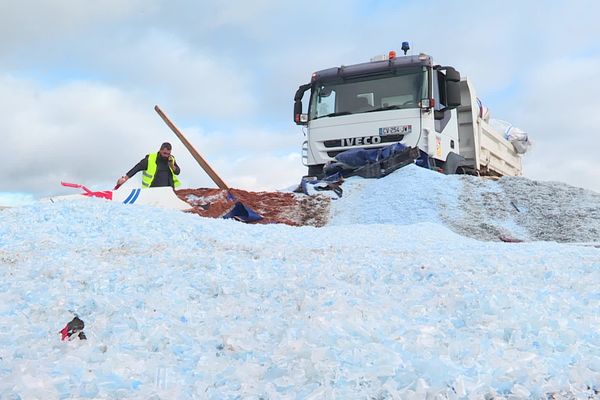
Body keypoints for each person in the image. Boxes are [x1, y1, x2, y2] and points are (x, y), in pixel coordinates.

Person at [116, 142, 181, 189]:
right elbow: (137, 168)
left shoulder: (171, 158)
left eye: (168, 154)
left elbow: (177, 172)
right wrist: (125, 178)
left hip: (169, 190)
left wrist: (172, 166)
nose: (166, 155)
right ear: (160, 150)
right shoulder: (150, 158)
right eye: (164, 153)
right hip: (152, 190)